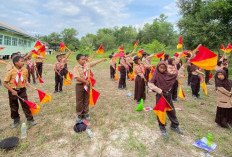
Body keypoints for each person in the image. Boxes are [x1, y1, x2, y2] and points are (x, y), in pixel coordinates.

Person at [148, 60, 187, 138]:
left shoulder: (168, 75)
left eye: (163, 68)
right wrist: (159, 90)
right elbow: (150, 83)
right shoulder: (156, 74)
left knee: (171, 110)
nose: (162, 70)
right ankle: (162, 127)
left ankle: (174, 125)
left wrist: (183, 66)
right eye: (160, 68)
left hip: (168, 94)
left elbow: (177, 75)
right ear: (158, 67)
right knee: (161, 112)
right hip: (161, 95)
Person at [3, 56, 37, 128]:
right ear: (16, 63)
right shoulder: (11, 72)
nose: (23, 62)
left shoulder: (25, 70)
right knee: (14, 106)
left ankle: (30, 119)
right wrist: (12, 91)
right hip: (13, 91)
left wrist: (26, 82)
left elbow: (25, 79)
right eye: (21, 61)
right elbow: (5, 83)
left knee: (25, 104)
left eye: (23, 61)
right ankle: (16, 120)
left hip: (22, 90)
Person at [73, 54, 107, 122]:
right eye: (82, 59)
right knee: (79, 100)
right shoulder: (76, 68)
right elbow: (77, 77)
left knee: (86, 99)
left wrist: (101, 60)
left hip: (87, 85)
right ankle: (79, 114)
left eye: (85, 59)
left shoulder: (87, 65)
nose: (84, 61)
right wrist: (85, 81)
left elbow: (94, 62)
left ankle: (86, 113)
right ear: (78, 60)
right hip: (80, 85)